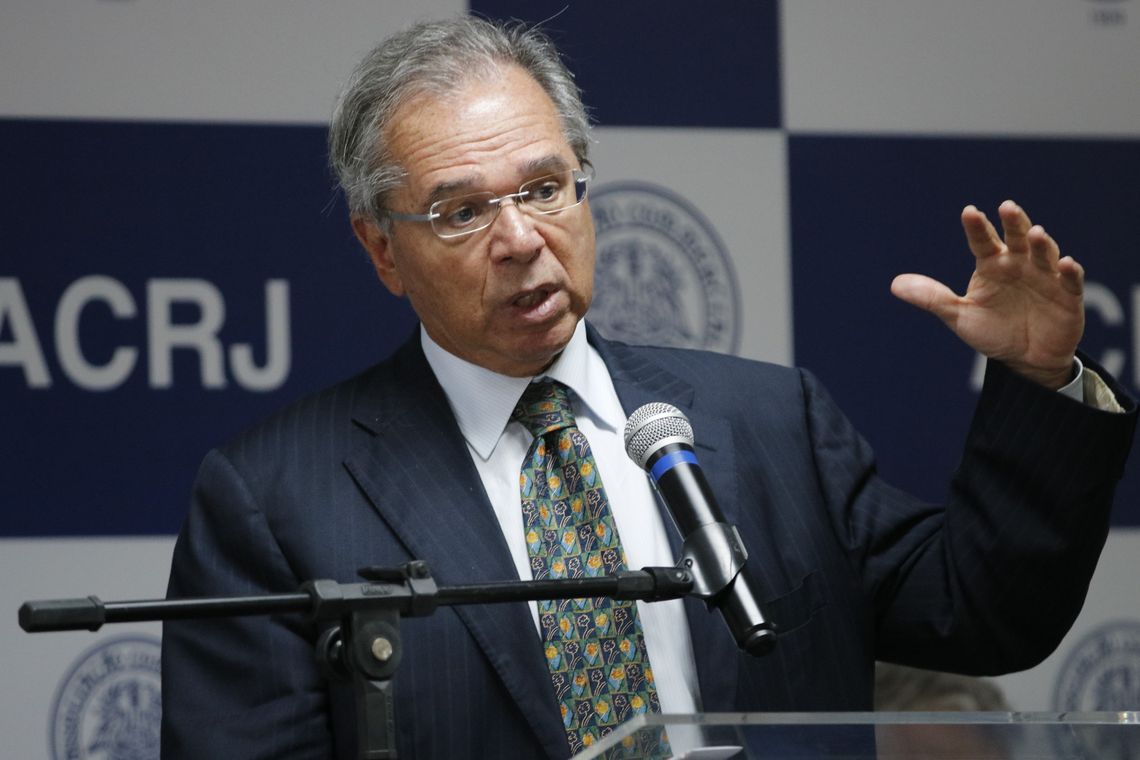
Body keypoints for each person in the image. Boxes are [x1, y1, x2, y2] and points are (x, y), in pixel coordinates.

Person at [160, 15, 1137, 760]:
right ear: (383, 249)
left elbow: (984, 611)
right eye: (462, 211)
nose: (520, 240)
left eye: (544, 188)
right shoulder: (278, 498)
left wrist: (1036, 374)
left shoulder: (768, 422)